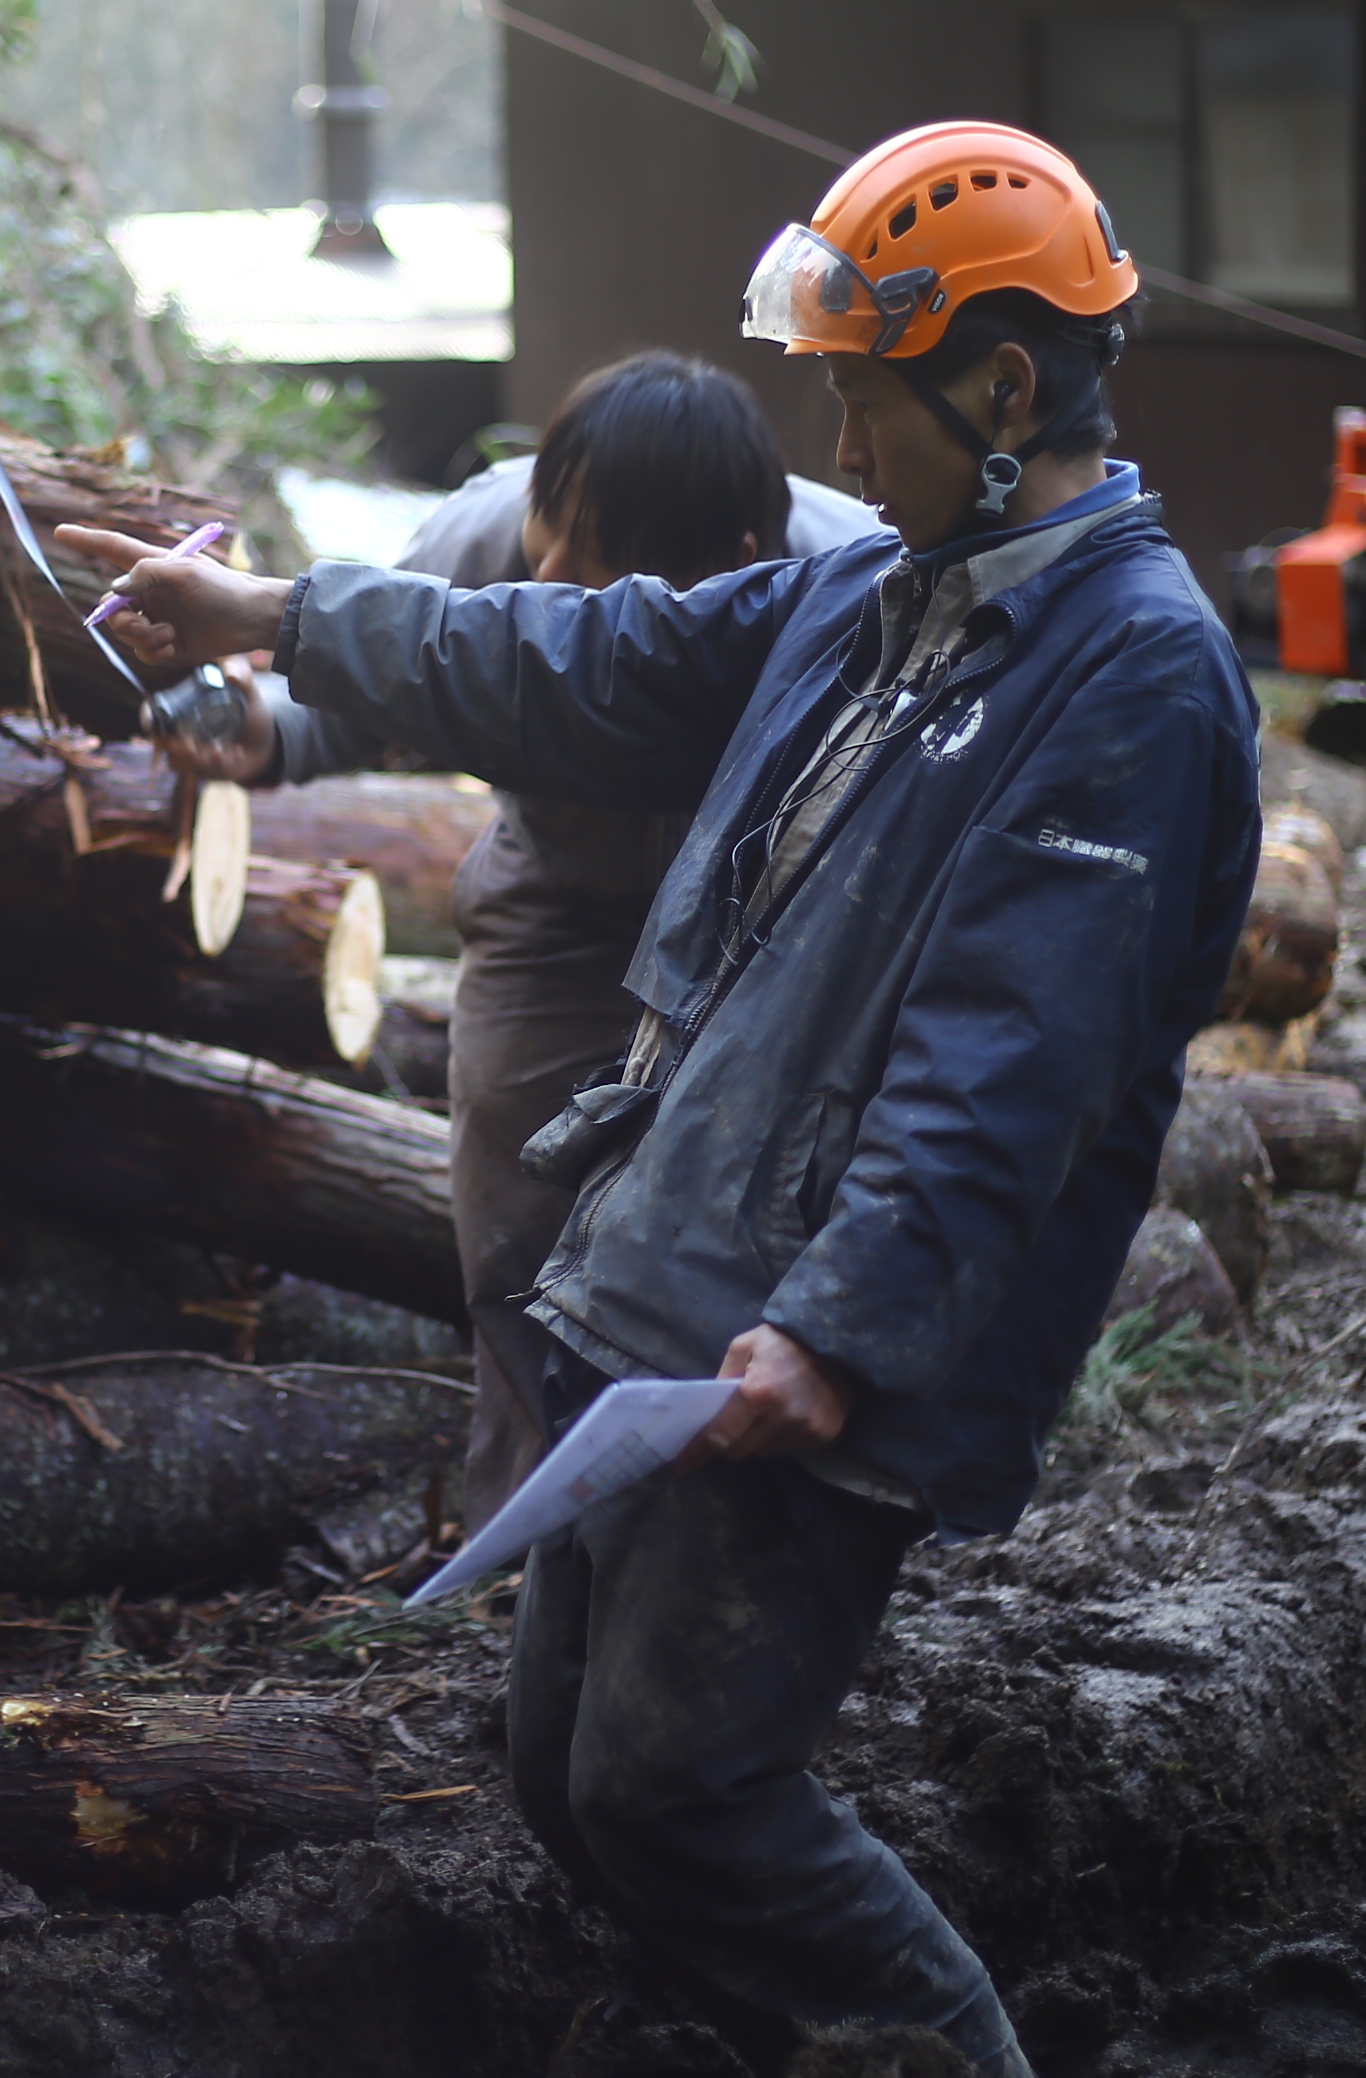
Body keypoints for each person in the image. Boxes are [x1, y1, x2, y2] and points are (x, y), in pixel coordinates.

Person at [65, 122, 1260, 2077]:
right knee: (563, 1765)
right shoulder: (880, 594)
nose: (840, 446)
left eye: (862, 399)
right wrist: (277, 619)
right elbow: (581, 653)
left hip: (800, 1343)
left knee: (678, 1787)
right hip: (669, 1287)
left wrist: (840, 1329)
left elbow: (1008, 1058)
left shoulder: (1129, 677)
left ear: (1002, 389)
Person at [177, 352, 876, 1534]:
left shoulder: (846, 579)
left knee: (741, 1235)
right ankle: (522, 1522)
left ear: (732, 571)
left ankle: (722, 1524)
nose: (543, 576)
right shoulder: (488, 532)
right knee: (511, 1216)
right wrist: (258, 726)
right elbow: (374, 673)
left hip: (775, 933)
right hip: (557, 903)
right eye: (545, 536)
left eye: (591, 562)